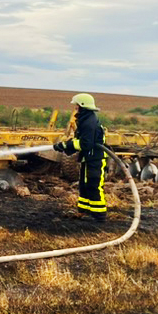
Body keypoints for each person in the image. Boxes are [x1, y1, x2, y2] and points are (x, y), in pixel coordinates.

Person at [53, 93, 107, 221]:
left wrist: (66, 145)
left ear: (82, 106)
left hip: (95, 159)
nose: (75, 107)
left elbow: (85, 144)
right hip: (88, 158)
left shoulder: (89, 122)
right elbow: (80, 141)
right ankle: (84, 211)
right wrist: (66, 147)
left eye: (76, 105)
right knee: (84, 185)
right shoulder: (85, 120)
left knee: (93, 186)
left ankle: (99, 216)